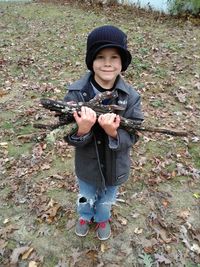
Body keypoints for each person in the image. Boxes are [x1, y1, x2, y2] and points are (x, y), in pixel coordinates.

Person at [63, 25, 144, 241]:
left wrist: (113, 133)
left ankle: (102, 218)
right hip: (87, 166)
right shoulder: (76, 94)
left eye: (114, 57)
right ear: (91, 61)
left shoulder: (131, 98)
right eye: (100, 56)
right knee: (86, 195)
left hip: (115, 167)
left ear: (122, 63)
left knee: (107, 198)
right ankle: (84, 215)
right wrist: (83, 130)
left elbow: (134, 135)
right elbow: (65, 132)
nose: (107, 63)